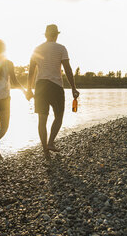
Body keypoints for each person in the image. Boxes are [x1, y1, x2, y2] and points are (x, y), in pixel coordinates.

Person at [26, 24, 80, 159]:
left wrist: (28, 89)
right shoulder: (61, 48)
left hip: (40, 86)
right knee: (59, 116)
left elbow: (31, 71)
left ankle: (45, 148)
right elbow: (68, 69)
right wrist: (73, 88)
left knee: (42, 119)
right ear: (56, 35)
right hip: (55, 86)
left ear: (45, 35)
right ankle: (50, 142)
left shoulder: (37, 49)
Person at [0, 39, 27, 162]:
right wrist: (24, 91)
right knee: (4, 128)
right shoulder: (9, 63)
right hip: (3, 98)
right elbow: (15, 81)